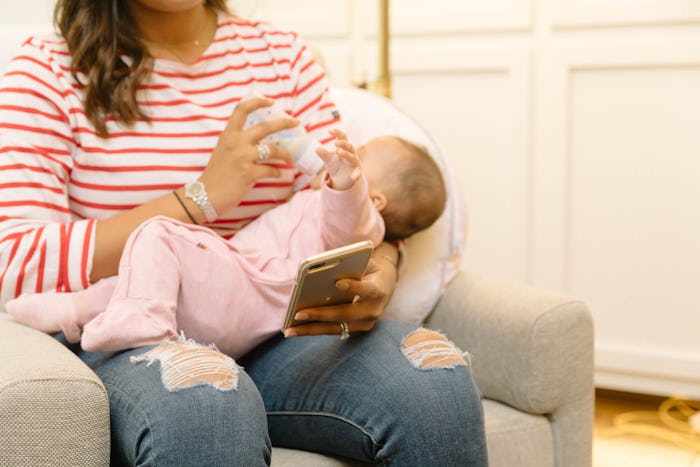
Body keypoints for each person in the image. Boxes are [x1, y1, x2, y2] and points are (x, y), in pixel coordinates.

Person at [0, 1, 488, 465]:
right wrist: (201, 197)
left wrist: (380, 267)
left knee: (433, 380)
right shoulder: (45, 73)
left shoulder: (280, 58)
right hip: (136, 331)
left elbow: (348, 193)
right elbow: (16, 261)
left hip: (274, 330)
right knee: (206, 405)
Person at [6, 130, 447, 358]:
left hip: (250, 286)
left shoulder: (353, 216)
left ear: (375, 199)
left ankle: (143, 324)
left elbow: (351, 217)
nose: (347, 147)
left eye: (362, 153)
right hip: (242, 289)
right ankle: (74, 311)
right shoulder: (337, 207)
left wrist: (345, 182)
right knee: (145, 275)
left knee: (159, 235)